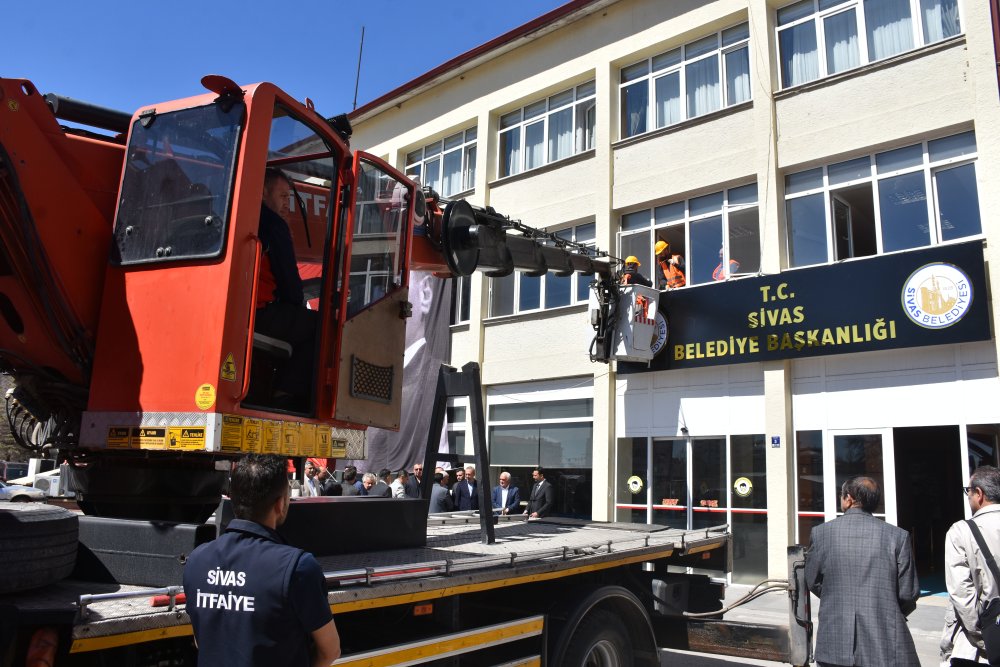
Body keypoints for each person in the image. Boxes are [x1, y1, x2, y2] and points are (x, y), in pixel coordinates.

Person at [183, 454, 340, 667]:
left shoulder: (197, 560)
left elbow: (202, 640)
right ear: (280, 503)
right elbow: (330, 651)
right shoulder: (297, 567)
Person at [804, 476, 919, 667]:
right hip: (884, 642)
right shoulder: (898, 536)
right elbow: (908, 593)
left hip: (834, 641)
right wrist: (887, 607)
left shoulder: (821, 533)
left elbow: (812, 580)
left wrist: (834, 595)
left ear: (848, 498)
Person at [253, 168, 319, 410]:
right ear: (262, 192)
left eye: (289, 199)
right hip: (260, 314)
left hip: (244, 313)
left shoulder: (243, 216)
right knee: (321, 327)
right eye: (282, 197)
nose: (287, 205)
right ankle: (287, 393)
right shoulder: (272, 224)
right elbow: (291, 288)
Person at [944, 465, 1000, 665]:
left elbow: (961, 593)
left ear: (979, 493)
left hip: (981, 645)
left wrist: (985, 637)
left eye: (968, 491)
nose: (968, 496)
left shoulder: (961, 531)